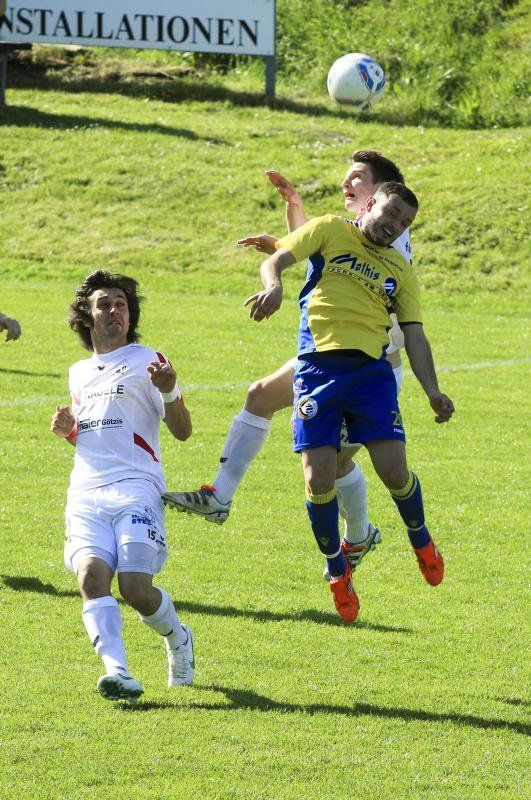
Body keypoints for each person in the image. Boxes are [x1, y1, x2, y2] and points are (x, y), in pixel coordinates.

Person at [163, 151, 409, 574]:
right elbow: (327, 253)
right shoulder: (357, 229)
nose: (346, 184)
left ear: (380, 192)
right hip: (328, 359)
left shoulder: (391, 234)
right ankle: (219, 496)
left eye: (356, 177)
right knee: (260, 396)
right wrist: (292, 215)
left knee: (334, 465)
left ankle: (360, 535)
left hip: (369, 370)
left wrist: (284, 248)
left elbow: (343, 263)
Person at [243, 181, 454, 622]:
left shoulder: (400, 269)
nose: (395, 225)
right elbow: (276, 258)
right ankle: (338, 571)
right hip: (317, 371)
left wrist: (433, 391)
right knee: (318, 480)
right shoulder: (330, 229)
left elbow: (415, 335)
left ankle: (421, 538)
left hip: (371, 375)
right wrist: (274, 286)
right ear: (371, 203)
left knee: (393, 470)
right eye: (391, 213)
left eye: (404, 222)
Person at [51, 270, 195, 704]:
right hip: (86, 491)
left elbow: (183, 431)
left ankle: (178, 636)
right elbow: (98, 435)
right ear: (87, 316)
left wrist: (169, 391)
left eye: (121, 304)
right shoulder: (79, 372)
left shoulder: (147, 360)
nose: (114, 310)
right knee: (91, 577)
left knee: (134, 587)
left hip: (136, 486)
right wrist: (70, 431)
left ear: (130, 316)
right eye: (104, 304)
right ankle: (117, 671)